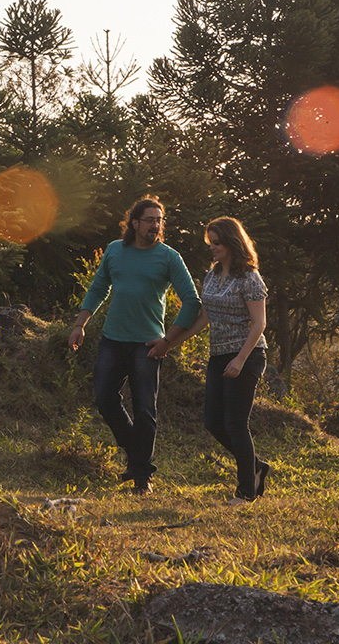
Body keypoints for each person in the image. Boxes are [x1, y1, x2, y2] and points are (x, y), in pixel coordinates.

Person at [68, 196, 201, 495]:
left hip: (148, 344)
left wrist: (168, 340)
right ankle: (136, 452)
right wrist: (80, 325)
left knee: (144, 409)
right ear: (135, 223)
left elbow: (192, 301)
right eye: (150, 219)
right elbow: (99, 287)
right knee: (104, 399)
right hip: (113, 339)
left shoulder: (169, 257)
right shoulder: (116, 250)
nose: (156, 225)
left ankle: (142, 477)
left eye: (160, 220)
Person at [166, 216, 270, 505]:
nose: (213, 247)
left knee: (236, 423)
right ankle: (257, 468)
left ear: (232, 242)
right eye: (210, 242)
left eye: (217, 242)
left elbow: (259, 323)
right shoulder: (212, 275)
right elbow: (205, 318)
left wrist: (240, 360)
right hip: (217, 355)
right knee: (213, 421)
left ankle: (246, 492)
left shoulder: (249, 277)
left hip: (246, 356)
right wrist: (170, 343)